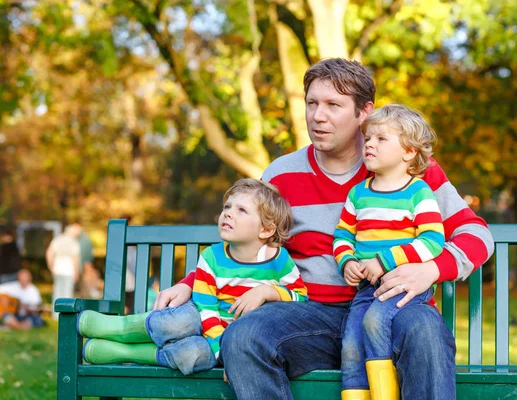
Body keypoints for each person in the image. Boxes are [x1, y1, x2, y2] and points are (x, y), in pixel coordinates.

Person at [154, 58, 494, 399]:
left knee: (425, 328)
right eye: (312, 103)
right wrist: (189, 283)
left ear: (364, 112)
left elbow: (476, 234)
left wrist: (431, 270)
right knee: (243, 336)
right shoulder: (281, 174)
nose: (318, 116)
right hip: (310, 318)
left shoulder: (406, 166)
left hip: (392, 309)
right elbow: (246, 242)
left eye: (334, 105)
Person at [75, 179, 308, 375]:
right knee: (179, 321)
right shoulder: (211, 257)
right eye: (227, 207)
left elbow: (300, 298)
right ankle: (120, 327)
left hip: (235, 342)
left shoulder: (279, 260)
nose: (227, 214)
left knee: (191, 356)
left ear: (265, 230)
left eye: (241, 210)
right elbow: (206, 310)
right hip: (206, 323)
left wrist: (267, 291)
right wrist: (225, 352)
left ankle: (123, 353)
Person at [333, 104, 445, 399]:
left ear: (408, 151)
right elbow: (343, 234)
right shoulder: (358, 194)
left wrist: (385, 261)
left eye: (381, 139)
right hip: (366, 289)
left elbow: (433, 240)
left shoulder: (417, 192)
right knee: (351, 345)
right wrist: (346, 261)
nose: (369, 143)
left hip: (404, 286)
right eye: (368, 138)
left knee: (374, 321)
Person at [46, 225, 80, 320]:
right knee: (67, 293)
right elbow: (75, 258)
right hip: (69, 269)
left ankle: (55, 314)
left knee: (57, 291)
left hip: (57, 268)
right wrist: (76, 271)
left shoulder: (58, 239)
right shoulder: (74, 242)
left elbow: (49, 252)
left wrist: (51, 265)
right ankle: (66, 313)